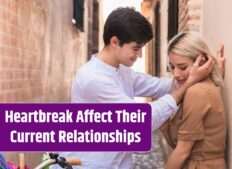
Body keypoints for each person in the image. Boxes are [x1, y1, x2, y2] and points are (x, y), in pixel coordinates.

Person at [53, 7, 216, 169]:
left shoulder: (121, 71)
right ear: (115, 42)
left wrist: (199, 72)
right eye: (136, 48)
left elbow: (160, 86)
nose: (140, 55)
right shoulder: (94, 78)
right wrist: (188, 83)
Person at [160, 31, 227, 169]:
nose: (176, 74)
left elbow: (182, 152)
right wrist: (165, 128)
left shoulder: (196, 93)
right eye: (172, 67)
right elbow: (180, 146)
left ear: (201, 61)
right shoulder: (201, 89)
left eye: (182, 67)